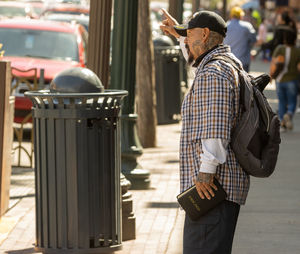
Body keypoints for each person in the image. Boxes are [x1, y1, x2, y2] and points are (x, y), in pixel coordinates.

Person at [160, 9, 250, 254]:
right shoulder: (223, 65)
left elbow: (215, 127)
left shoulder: (214, 73)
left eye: (190, 35)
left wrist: (205, 175)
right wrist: (179, 33)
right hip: (217, 191)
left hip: (212, 190)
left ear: (205, 33)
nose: (187, 40)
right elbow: (196, 66)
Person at [270, 28, 300, 132]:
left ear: (285, 39)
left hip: (280, 80)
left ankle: (282, 124)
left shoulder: (280, 48)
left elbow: (274, 63)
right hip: (292, 80)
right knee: (292, 102)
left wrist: (271, 76)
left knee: (281, 102)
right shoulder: (298, 50)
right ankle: (289, 114)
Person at [223, 6, 257, 72]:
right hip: (243, 62)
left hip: (228, 61)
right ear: (241, 16)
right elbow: (254, 40)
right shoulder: (247, 26)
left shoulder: (225, 26)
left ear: (231, 15)